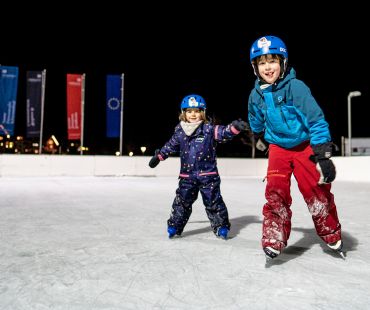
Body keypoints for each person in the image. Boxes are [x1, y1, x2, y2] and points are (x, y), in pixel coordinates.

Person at [248, 35, 343, 261]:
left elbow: (316, 119)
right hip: (278, 149)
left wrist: (323, 154)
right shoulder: (256, 95)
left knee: (315, 190)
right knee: (275, 191)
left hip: (303, 146)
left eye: (272, 61)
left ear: (283, 63)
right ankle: (274, 236)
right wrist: (256, 128)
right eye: (262, 62)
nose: (267, 67)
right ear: (255, 68)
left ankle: (330, 230)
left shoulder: (296, 88)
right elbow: (256, 122)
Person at [148, 94, 250, 239]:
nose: (193, 114)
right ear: (184, 113)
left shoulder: (209, 129)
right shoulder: (179, 132)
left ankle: (221, 226)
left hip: (208, 175)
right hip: (187, 176)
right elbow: (170, 146)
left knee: (213, 201)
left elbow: (223, 132)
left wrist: (234, 128)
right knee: (182, 202)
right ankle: (175, 226)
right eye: (189, 111)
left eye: (196, 111)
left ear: (202, 112)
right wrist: (159, 156)